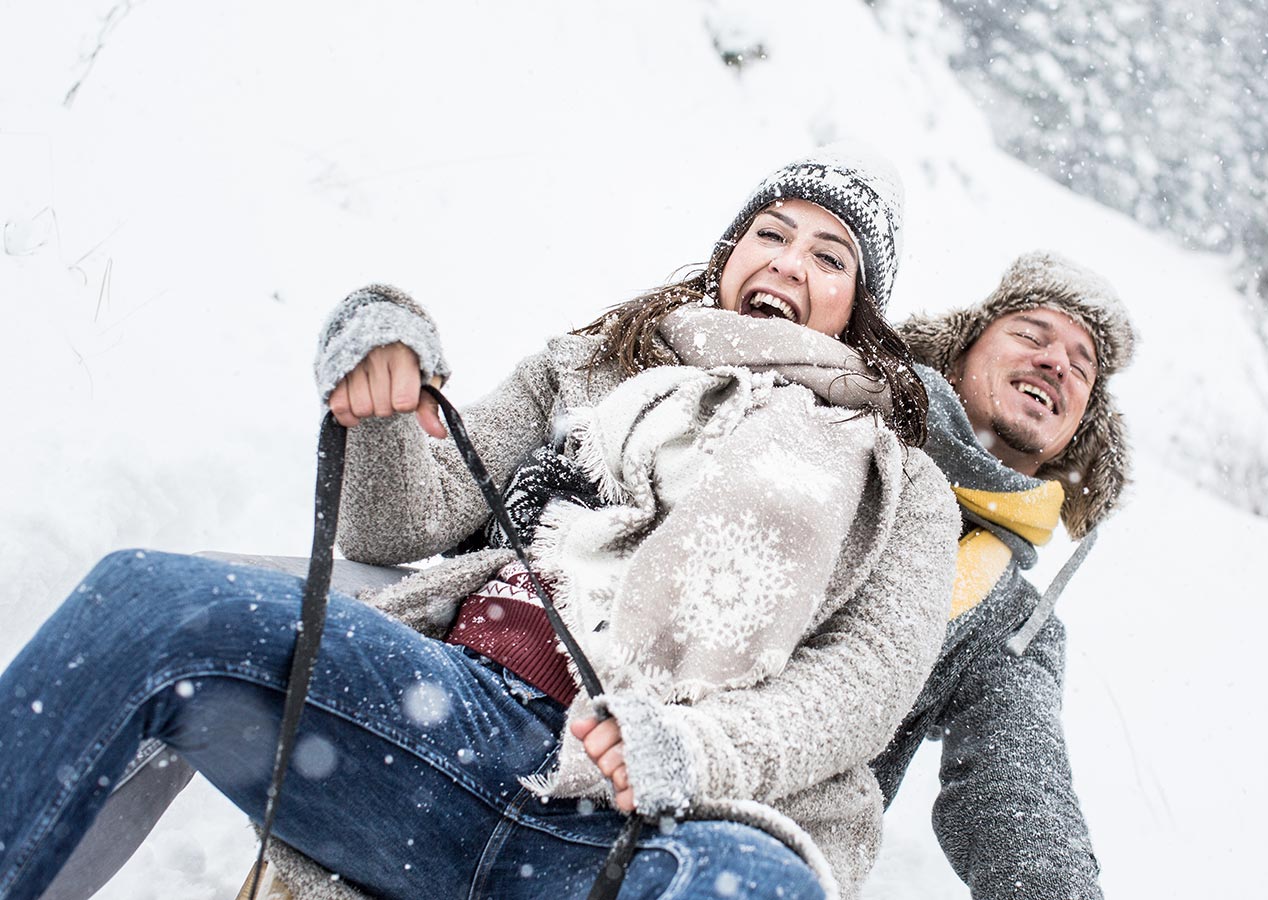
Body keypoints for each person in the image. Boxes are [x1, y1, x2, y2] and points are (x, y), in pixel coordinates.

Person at [0, 146, 959, 900]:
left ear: (858, 308)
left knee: (759, 892)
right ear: (730, 252)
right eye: (770, 233)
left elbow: (860, 689)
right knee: (149, 601)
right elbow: (396, 524)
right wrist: (381, 376)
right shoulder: (589, 367)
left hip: (652, 827)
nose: (788, 262)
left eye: (828, 256)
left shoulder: (902, 485)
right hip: (443, 729)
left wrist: (688, 749)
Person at [873, 251, 1137, 900]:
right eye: (1030, 334)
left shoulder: (1015, 625)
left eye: (1082, 366)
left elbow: (1021, 792)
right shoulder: (840, 421)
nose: (1057, 363)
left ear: (1078, 432)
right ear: (959, 352)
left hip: (771, 854)